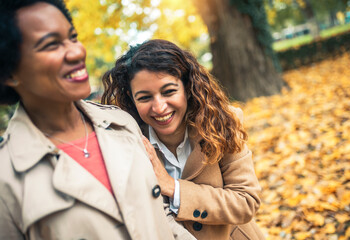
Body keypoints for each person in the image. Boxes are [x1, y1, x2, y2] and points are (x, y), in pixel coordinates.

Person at [0, 1, 193, 239]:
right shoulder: (5, 177)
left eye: (73, 37)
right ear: (9, 73)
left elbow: (160, 215)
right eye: (51, 45)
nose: (77, 52)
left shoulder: (121, 124)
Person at [102, 39, 265, 240]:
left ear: (187, 87)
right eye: (145, 97)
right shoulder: (127, 143)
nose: (159, 107)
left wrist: (173, 187)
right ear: (131, 97)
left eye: (169, 91)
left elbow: (245, 202)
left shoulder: (223, 121)